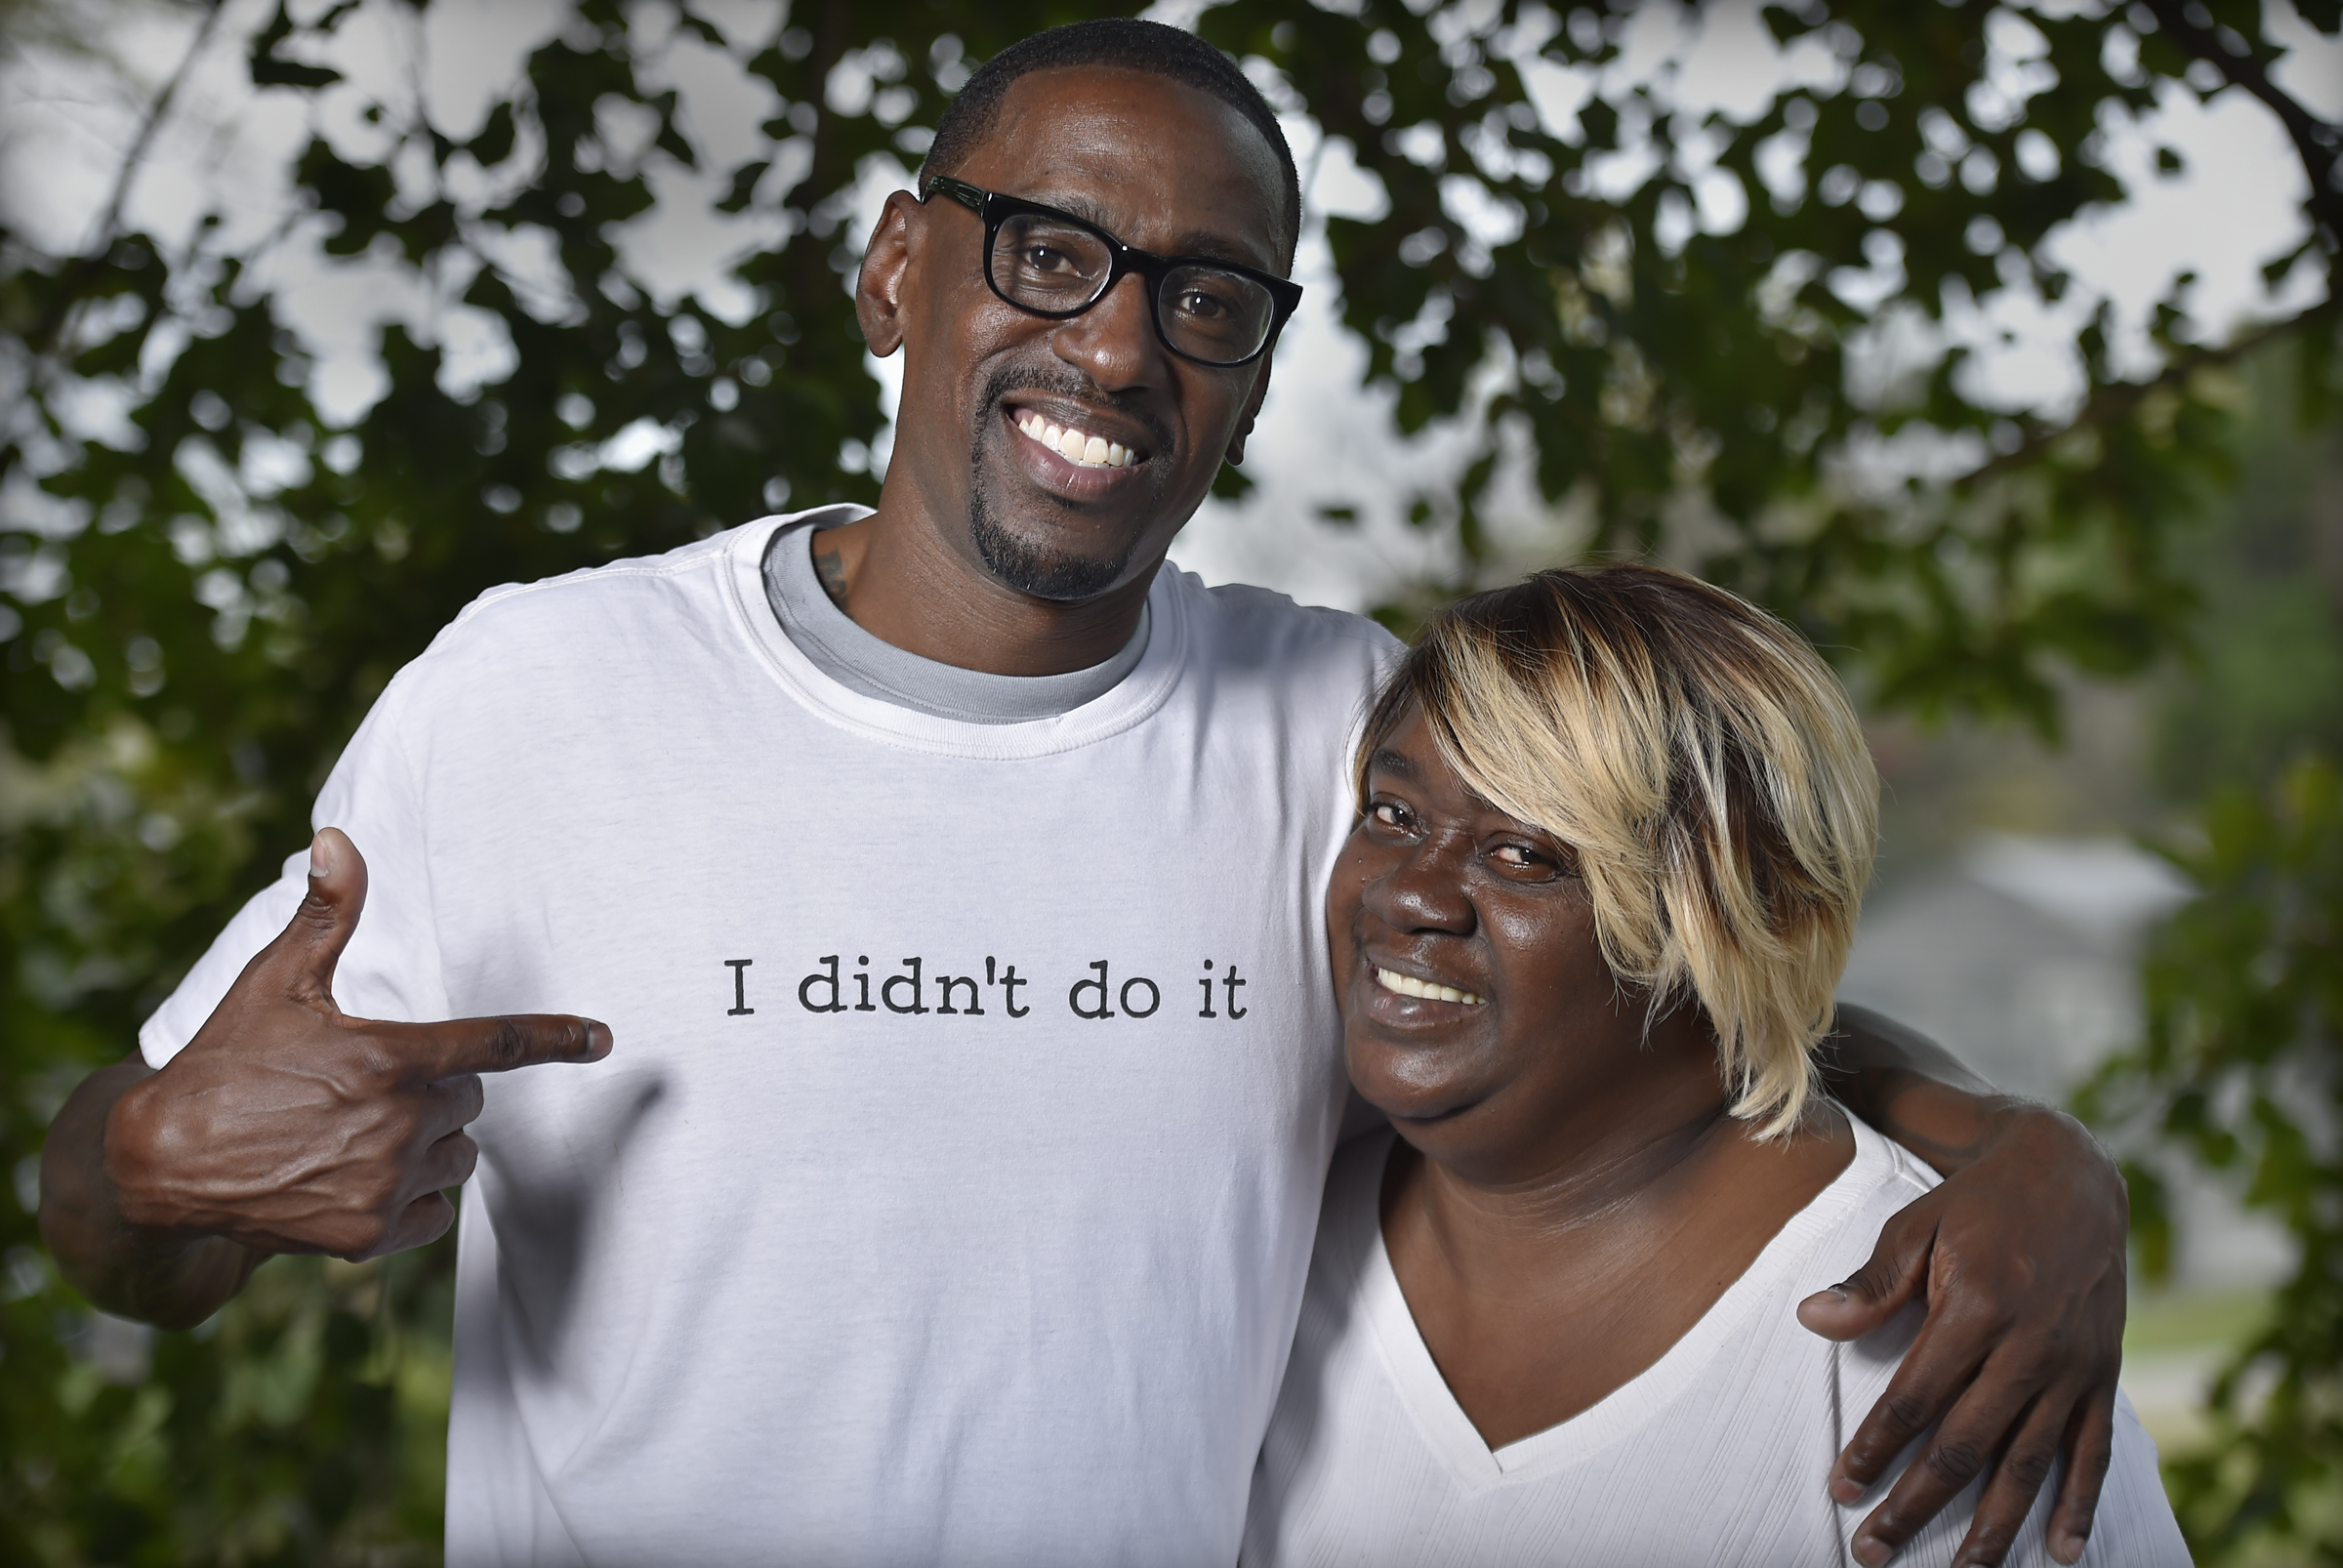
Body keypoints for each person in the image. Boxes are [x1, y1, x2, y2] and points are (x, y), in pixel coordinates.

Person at [38, 20, 2126, 1567]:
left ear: (1248, 364)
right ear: (893, 275)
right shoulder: (538, 686)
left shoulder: (1338, 724)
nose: (1119, 349)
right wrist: (144, 1162)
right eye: (1048, 253)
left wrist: (2013, 1150)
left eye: (1203, 299)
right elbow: (138, 1215)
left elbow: (1640, 973)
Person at [1243, 565, 2184, 1567]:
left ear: (1729, 922)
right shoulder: (1272, 1236)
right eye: (1393, 815)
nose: (1413, 894)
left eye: (1524, 853)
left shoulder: (1932, 1343)